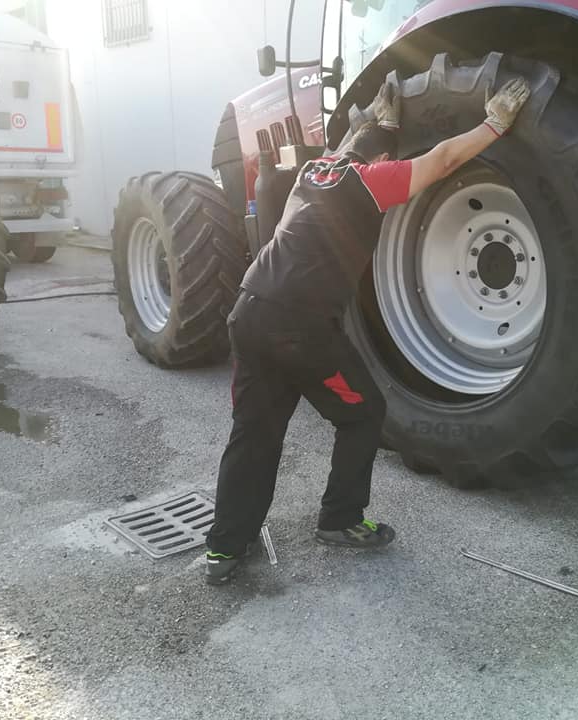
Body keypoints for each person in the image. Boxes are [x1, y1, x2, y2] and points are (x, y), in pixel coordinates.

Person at [204, 77, 533, 584]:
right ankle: (341, 520)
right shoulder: (372, 185)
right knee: (363, 412)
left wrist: (382, 127)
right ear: (378, 164)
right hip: (300, 327)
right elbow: (442, 160)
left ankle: (224, 550)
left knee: (254, 434)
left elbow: (351, 150)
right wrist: (493, 125)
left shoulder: (313, 172)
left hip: (249, 313)